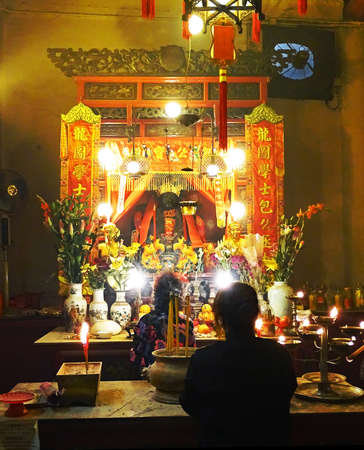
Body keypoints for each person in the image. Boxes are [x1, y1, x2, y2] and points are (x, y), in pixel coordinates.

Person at [180, 282, 297, 448]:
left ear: (219, 318)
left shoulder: (204, 359)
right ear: (256, 314)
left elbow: (189, 402)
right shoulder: (279, 355)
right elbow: (288, 391)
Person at [130, 271, 196, 378]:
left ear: (156, 295)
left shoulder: (146, 321)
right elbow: (192, 355)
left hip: (153, 378)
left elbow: (136, 356)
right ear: (180, 296)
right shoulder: (187, 322)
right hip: (181, 377)